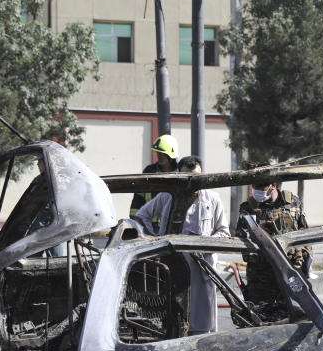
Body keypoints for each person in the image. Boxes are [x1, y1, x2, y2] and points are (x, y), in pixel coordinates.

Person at [134, 155, 229, 334]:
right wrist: (155, 241)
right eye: (186, 178)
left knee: (202, 330)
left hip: (201, 272)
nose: (191, 184)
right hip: (171, 272)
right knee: (173, 325)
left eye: (196, 178)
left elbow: (224, 233)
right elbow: (141, 215)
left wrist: (204, 245)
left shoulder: (213, 199)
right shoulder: (166, 196)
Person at [237, 168, 310, 316]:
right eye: (254, 187)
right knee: (261, 323)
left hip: (291, 275)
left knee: (296, 319)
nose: (257, 191)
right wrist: (260, 236)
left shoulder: (292, 203)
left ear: (273, 185)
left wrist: (305, 264)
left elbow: (306, 236)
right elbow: (243, 247)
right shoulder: (247, 208)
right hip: (261, 281)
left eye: (261, 187)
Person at [130, 134, 179, 218]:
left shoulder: (180, 173)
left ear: (170, 155)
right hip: (149, 223)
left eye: (162, 153)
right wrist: (134, 218)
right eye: (157, 152)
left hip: (172, 222)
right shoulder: (149, 171)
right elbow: (138, 197)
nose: (158, 155)